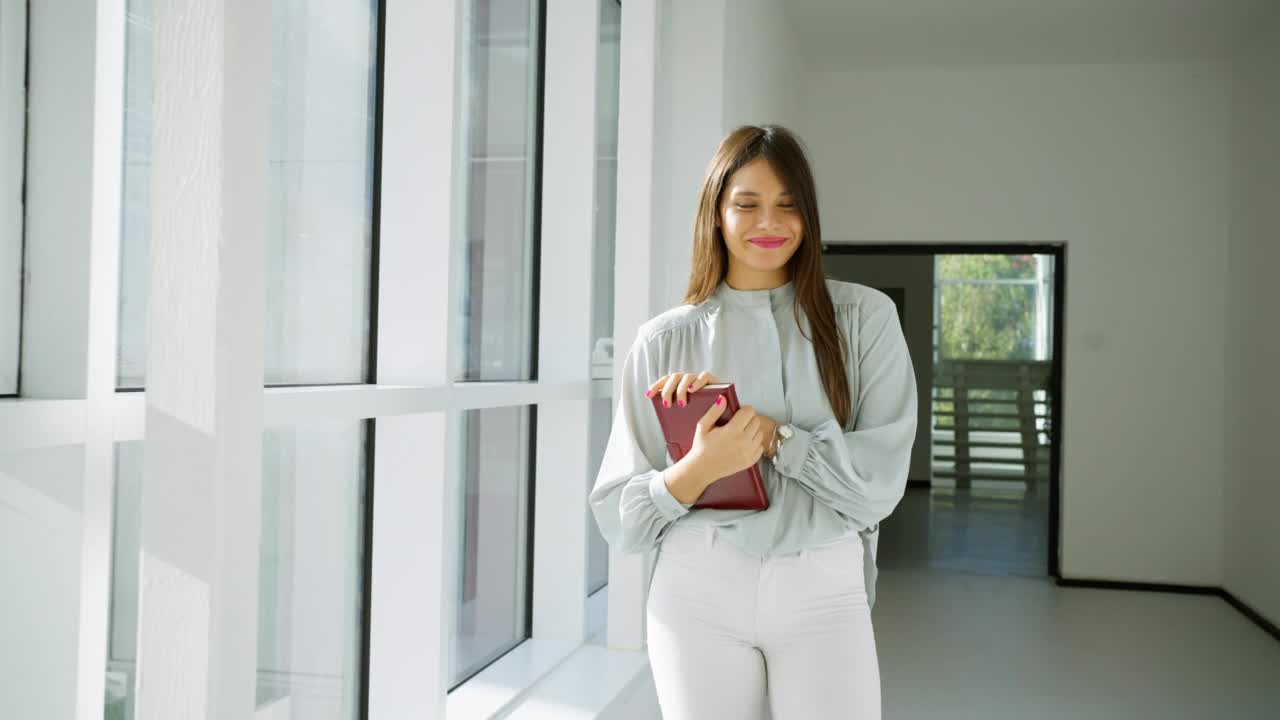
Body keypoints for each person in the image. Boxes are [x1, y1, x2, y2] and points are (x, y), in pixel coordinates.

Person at [588, 124, 918, 719]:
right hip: (696, 586)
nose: (770, 222)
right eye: (747, 204)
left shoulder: (866, 320)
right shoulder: (664, 340)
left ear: (809, 216)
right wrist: (700, 468)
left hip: (823, 585)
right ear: (716, 213)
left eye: (788, 205)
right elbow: (620, 519)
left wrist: (777, 438)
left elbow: (878, 489)